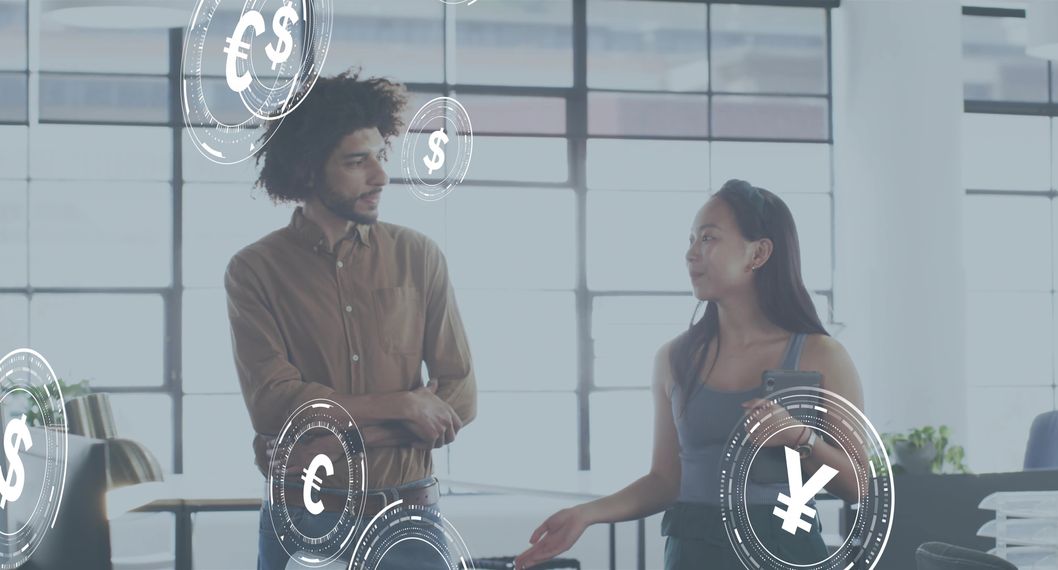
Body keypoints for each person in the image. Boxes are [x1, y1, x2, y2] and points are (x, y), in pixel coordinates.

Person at [515, 179, 864, 570]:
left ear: (759, 253)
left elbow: (857, 485)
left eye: (708, 239)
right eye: (692, 239)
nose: (691, 254)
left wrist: (802, 439)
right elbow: (666, 480)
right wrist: (587, 514)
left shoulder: (822, 355)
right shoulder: (673, 359)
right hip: (693, 554)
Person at [224, 69, 478, 570]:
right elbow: (275, 405)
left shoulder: (419, 256)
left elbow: (459, 395)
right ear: (308, 170)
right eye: (357, 162)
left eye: (379, 157)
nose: (380, 176)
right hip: (304, 518)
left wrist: (322, 445)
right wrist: (405, 405)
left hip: (408, 519)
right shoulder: (254, 270)